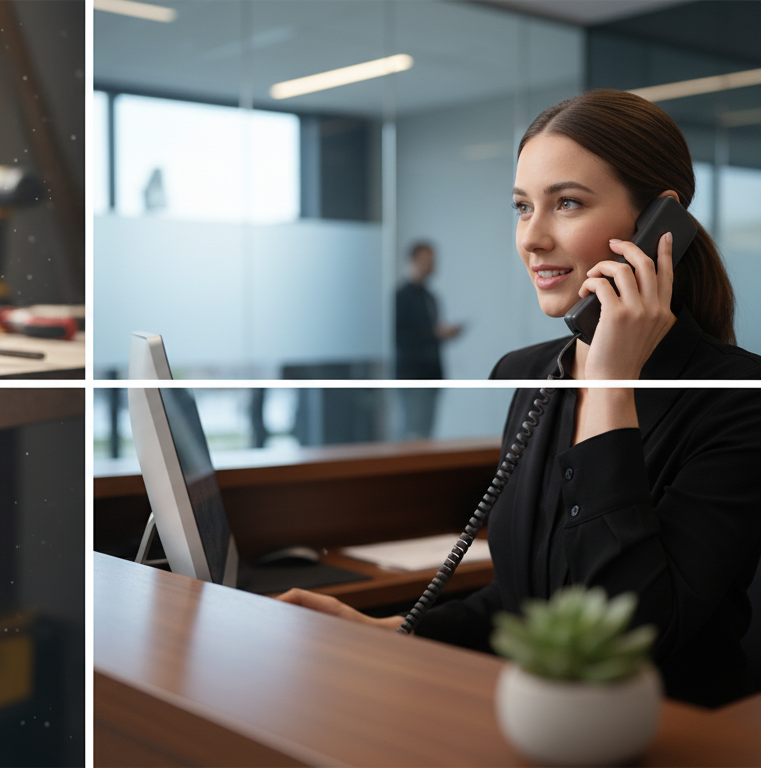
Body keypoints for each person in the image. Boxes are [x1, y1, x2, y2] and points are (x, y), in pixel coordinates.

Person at [277, 89, 761, 708]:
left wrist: (611, 388)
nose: (531, 238)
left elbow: (632, 635)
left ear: (659, 223)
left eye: (566, 203)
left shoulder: (736, 401)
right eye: (522, 206)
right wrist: (392, 632)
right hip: (538, 723)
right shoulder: (530, 374)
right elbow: (526, 597)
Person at [394, 241, 463, 438]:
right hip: (412, 374)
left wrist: (444, 334)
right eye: (426, 260)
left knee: (426, 434)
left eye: (433, 260)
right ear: (413, 261)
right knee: (414, 435)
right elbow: (398, 336)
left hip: (432, 373)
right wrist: (433, 333)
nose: (431, 264)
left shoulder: (431, 297)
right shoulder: (401, 297)